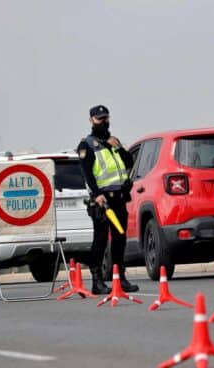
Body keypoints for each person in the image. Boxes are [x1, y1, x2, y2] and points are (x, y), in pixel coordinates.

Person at [77, 105, 138, 294]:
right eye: (99, 119)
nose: (103, 122)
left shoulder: (113, 141)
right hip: (103, 200)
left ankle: (120, 277)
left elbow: (129, 162)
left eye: (105, 118)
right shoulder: (87, 145)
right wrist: (97, 194)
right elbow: (87, 174)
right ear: (91, 121)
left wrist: (117, 147)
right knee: (101, 239)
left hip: (119, 198)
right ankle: (97, 280)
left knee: (120, 238)